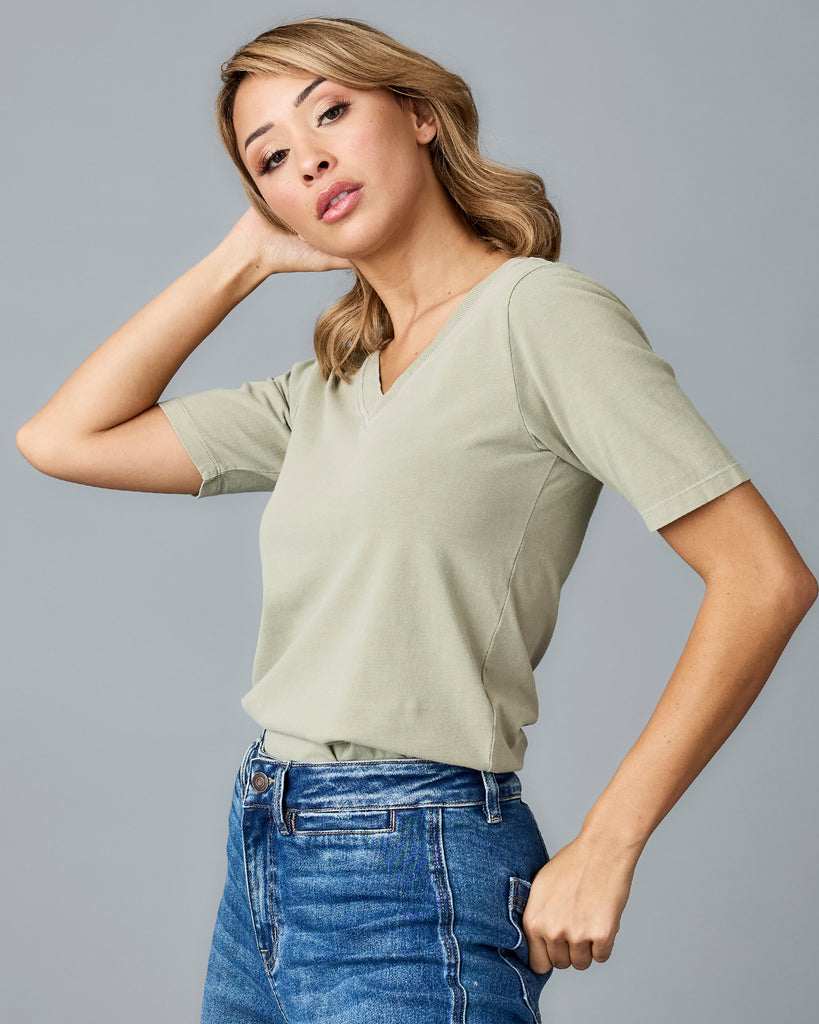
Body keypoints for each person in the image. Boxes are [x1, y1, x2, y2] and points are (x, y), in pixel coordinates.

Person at [15, 14, 816, 1024]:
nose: (308, 162)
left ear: (422, 116)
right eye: (271, 160)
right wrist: (241, 260)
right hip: (265, 842)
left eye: (333, 114)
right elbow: (61, 439)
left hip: (416, 864)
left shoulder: (539, 317)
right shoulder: (329, 387)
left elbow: (765, 578)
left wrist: (610, 839)